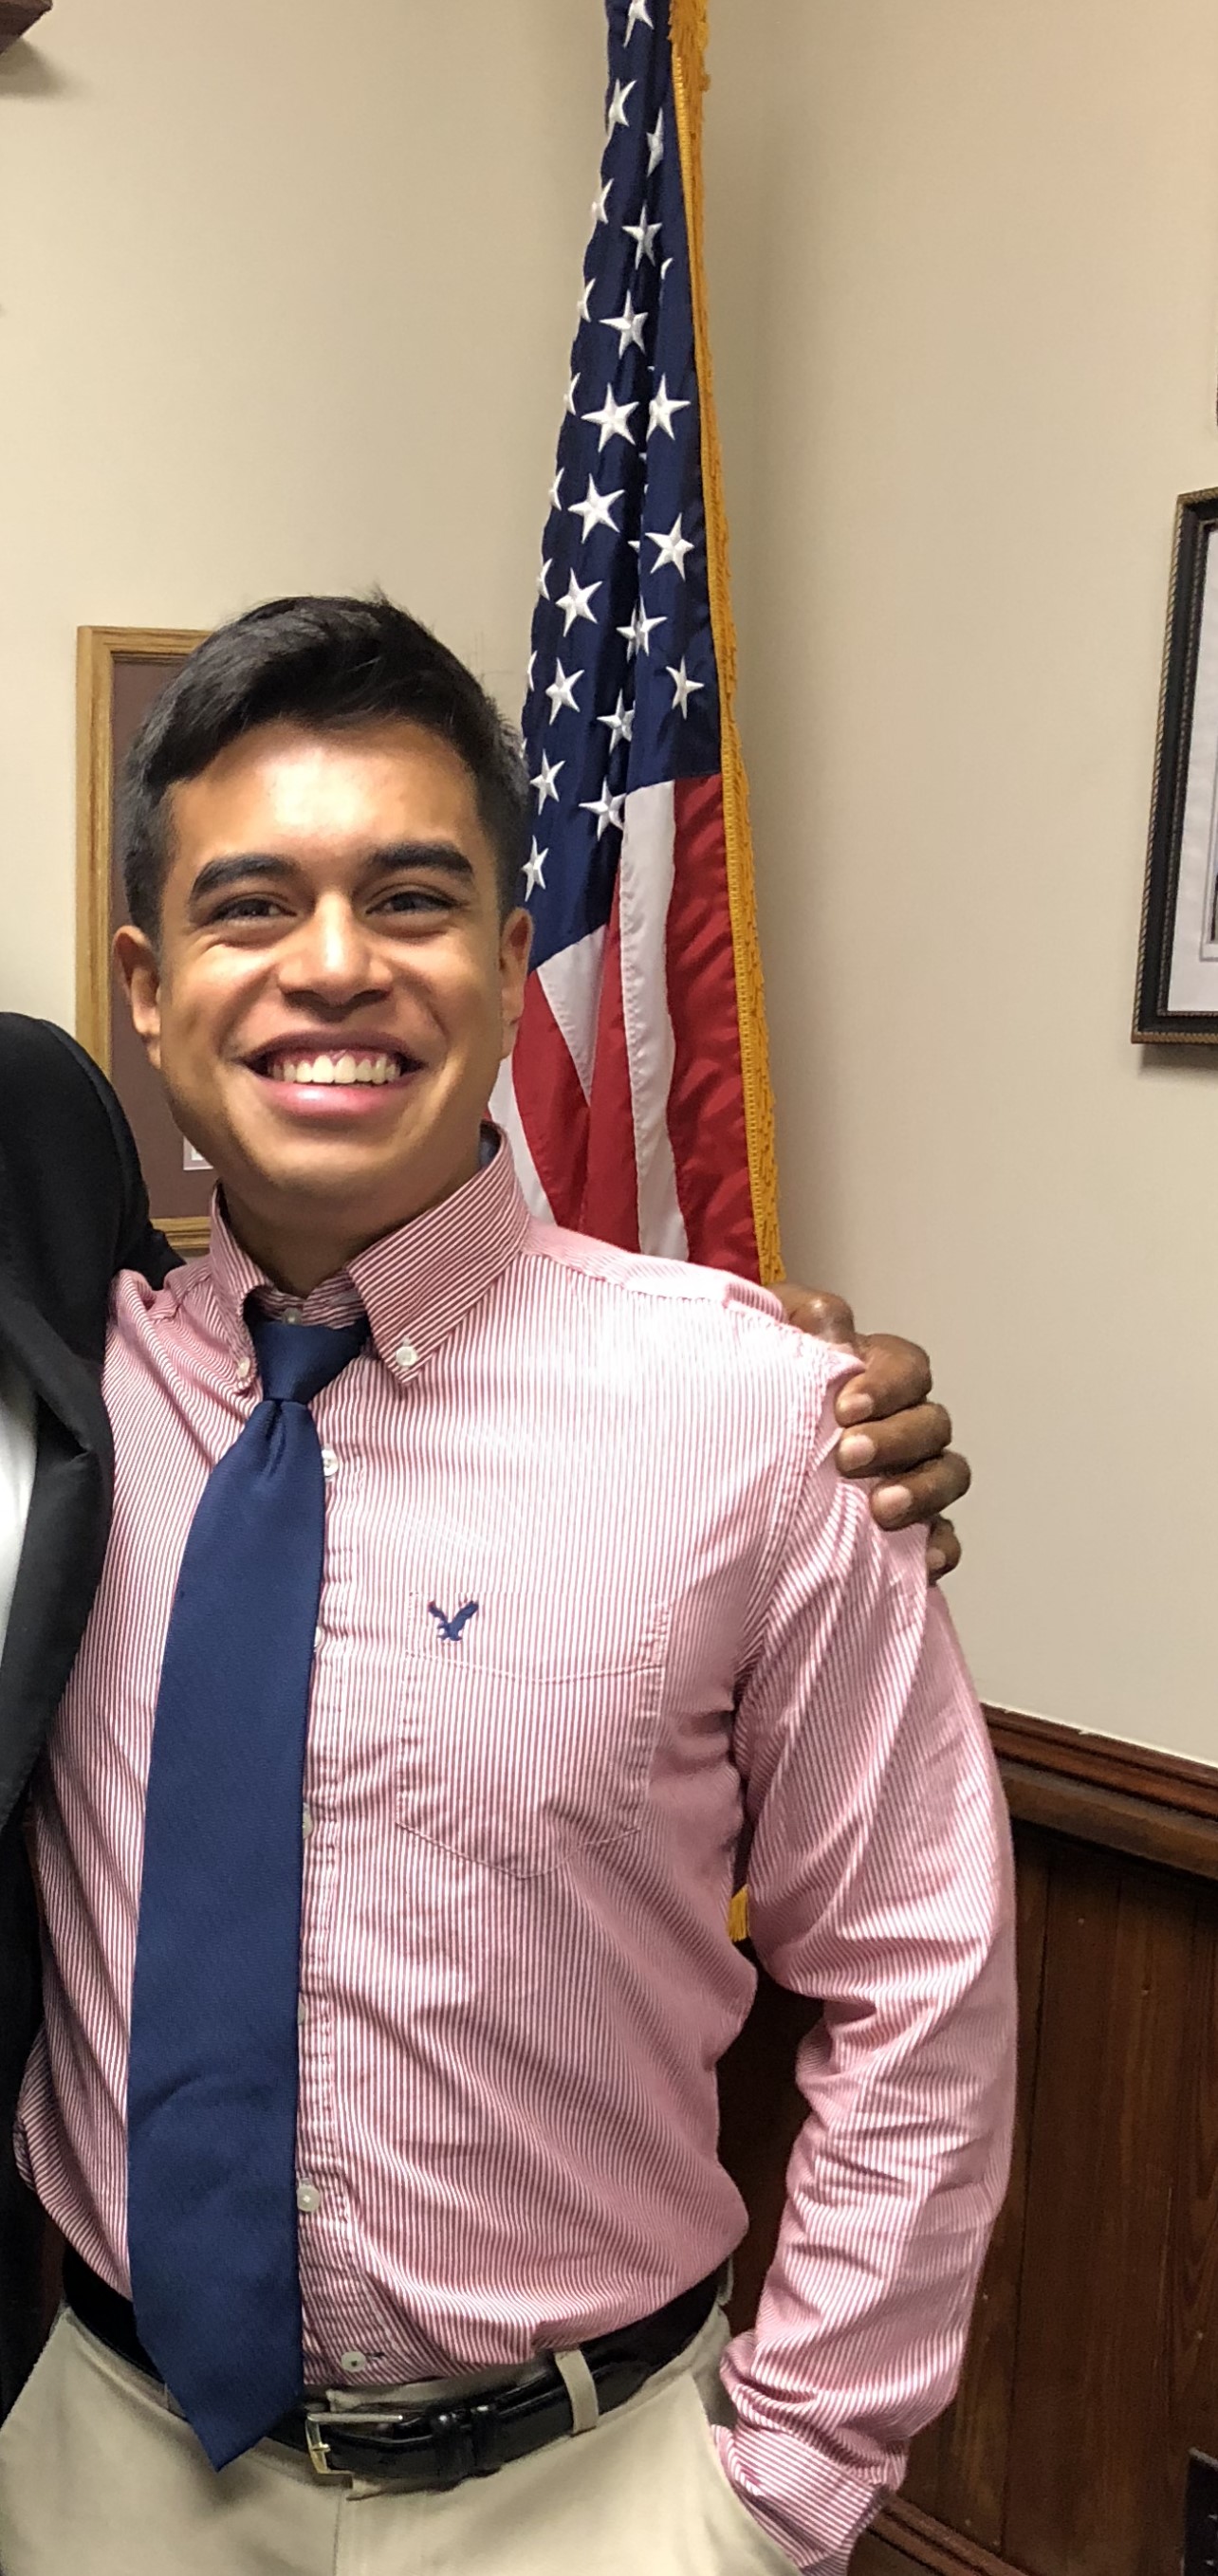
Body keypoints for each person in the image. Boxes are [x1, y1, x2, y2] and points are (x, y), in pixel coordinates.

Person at [0, 597, 1012, 2576]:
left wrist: (783, 2486)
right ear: (148, 982)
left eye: (411, 897)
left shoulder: (757, 1422)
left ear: (500, 950)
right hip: (96, 2467)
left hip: (593, 2491)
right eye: (249, 907)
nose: (334, 965)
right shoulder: (65, 1399)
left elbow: (921, 1974)